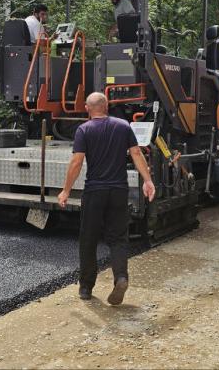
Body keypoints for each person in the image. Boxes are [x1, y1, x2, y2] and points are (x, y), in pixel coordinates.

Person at [58, 92, 156, 306]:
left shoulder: (84, 130)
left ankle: (86, 287)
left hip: (94, 191)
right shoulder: (123, 126)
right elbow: (136, 154)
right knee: (118, 238)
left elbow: (76, 162)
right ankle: (121, 277)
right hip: (118, 191)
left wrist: (66, 190)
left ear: (87, 108)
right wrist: (147, 181)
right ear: (107, 106)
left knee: (89, 238)